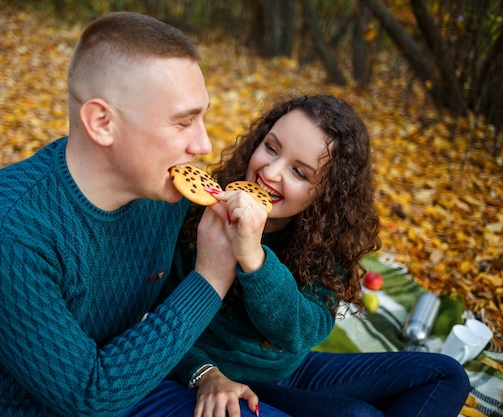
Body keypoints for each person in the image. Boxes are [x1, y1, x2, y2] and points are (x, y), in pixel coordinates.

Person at [0, 12, 273, 417]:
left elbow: (149, 322)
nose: (205, 144)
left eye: (203, 116)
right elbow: (88, 398)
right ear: (102, 122)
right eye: (184, 121)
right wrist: (211, 277)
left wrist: (203, 371)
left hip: (122, 385)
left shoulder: (161, 198)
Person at [160, 94, 471, 417]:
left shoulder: (322, 241)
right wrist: (203, 371)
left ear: (326, 193)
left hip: (293, 366)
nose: (271, 171)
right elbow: (147, 319)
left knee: (447, 374)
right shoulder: (196, 214)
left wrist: (255, 259)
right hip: (227, 374)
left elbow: (303, 332)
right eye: (271, 147)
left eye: (300, 172)